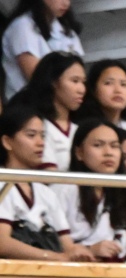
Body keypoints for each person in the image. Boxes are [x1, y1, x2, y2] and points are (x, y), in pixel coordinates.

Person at [0, 104, 81, 258]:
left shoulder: (45, 192)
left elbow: (67, 245)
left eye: (43, 136)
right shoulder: (1, 184)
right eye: (31, 135)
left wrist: (83, 251)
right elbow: (2, 243)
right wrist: (51, 257)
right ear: (7, 142)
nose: (41, 143)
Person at [63, 116, 126, 257]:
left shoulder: (117, 192)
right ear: (79, 152)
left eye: (114, 146)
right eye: (98, 145)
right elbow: (52, 242)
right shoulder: (65, 188)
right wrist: (90, 250)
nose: (108, 152)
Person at [15, 47, 82, 168]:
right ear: (53, 82)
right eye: (75, 81)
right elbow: (49, 175)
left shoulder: (81, 127)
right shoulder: (38, 127)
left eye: (83, 82)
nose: (81, 89)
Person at [3, 0, 82, 102]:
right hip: (29, 105)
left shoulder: (65, 29)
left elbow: (79, 74)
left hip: (63, 103)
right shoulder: (22, 26)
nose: (66, 3)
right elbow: (39, 80)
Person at [82, 58, 126, 132]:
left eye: (123, 84)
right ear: (93, 89)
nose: (118, 90)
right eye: (108, 83)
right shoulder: (84, 130)